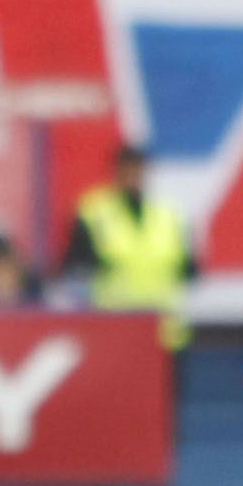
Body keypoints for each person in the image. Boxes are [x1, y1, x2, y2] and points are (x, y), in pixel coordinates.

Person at [63, 142, 194, 349]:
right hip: (114, 327)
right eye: (128, 168)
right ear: (116, 171)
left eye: (138, 168)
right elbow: (74, 267)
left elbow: (190, 269)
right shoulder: (94, 212)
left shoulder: (168, 215)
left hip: (163, 330)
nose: (133, 175)